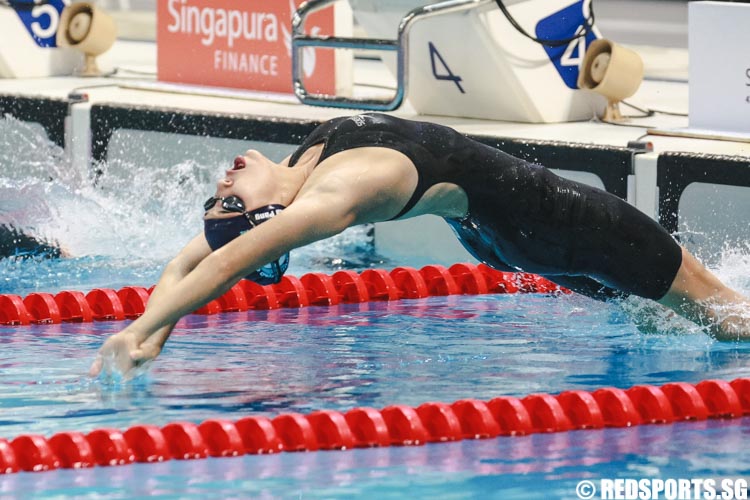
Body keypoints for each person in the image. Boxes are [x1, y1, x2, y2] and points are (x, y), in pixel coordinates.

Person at [90, 113, 750, 378]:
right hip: (560, 225)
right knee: (728, 318)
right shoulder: (333, 193)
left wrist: (148, 332)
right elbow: (231, 257)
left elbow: (200, 253)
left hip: (505, 237)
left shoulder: (300, 166)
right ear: (268, 216)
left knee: (655, 309)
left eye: (219, 198)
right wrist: (153, 325)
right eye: (231, 199)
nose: (224, 180)